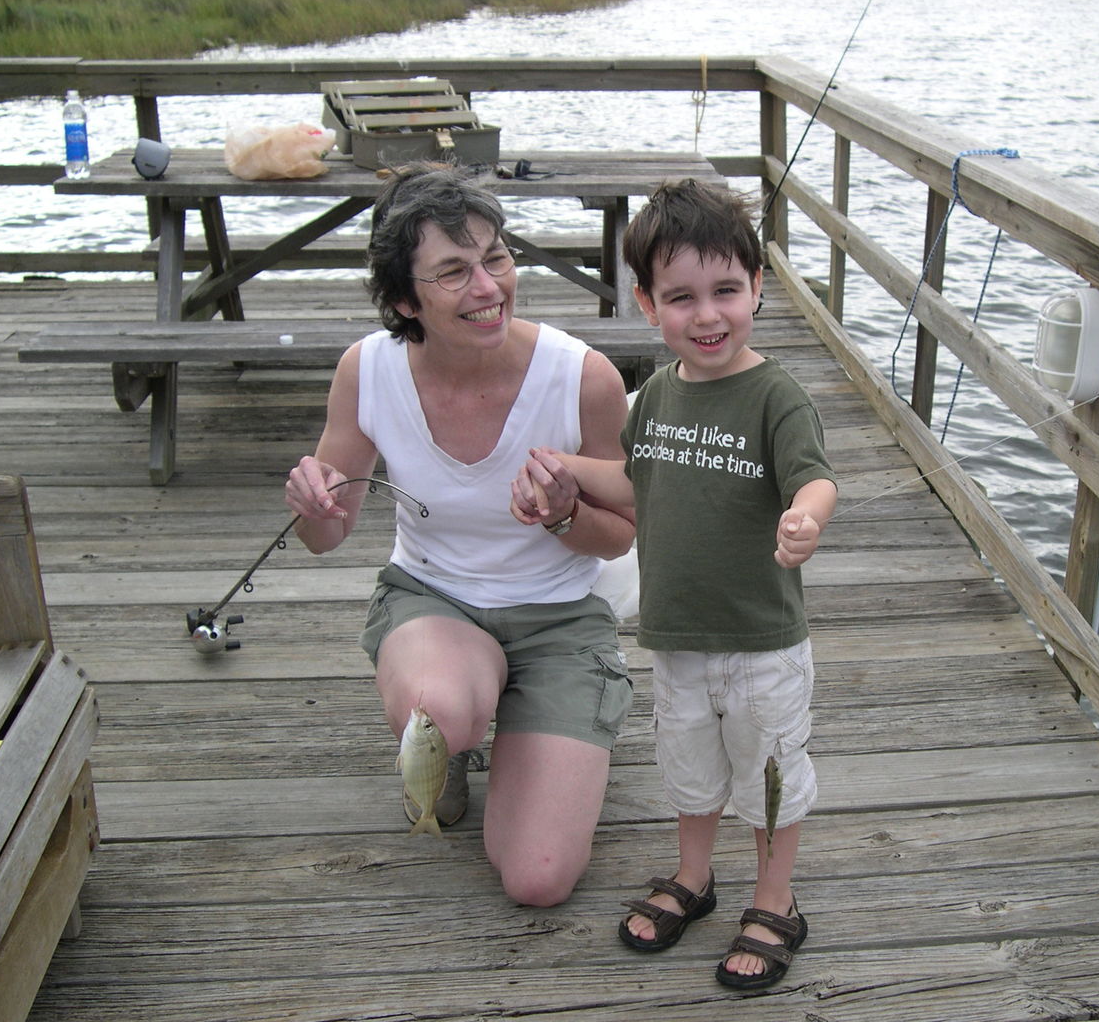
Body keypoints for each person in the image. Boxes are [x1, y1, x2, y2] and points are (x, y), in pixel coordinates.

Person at [511, 178, 837, 987]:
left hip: (761, 641)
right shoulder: (655, 395)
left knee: (767, 777)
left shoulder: (776, 397)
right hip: (676, 640)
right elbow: (633, 480)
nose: (708, 315)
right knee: (690, 771)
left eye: (727, 290)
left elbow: (815, 479)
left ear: (758, 287)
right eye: (681, 297)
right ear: (647, 303)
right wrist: (565, 471)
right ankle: (694, 877)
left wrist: (805, 516)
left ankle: (775, 897)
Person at [285, 163, 636, 908]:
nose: (489, 289)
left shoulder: (585, 378)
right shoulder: (366, 371)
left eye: (496, 258)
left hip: (559, 617)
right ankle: (450, 751)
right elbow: (328, 533)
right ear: (405, 300)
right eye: (454, 272)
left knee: (536, 879)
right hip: (433, 600)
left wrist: (566, 514)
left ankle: (536, 730)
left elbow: (619, 538)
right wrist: (313, 507)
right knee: (443, 712)